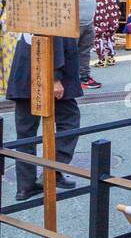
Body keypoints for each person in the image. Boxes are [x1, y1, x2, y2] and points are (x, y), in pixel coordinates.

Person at [5, 34, 81, 201]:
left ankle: (26, 185)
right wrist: (55, 77)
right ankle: (52, 171)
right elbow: (54, 33)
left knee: (25, 132)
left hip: (25, 66)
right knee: (69, 120)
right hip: (46, 70)